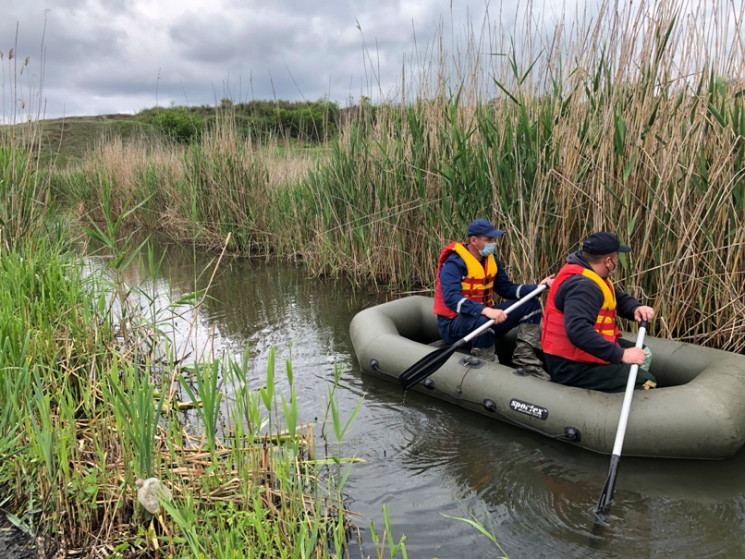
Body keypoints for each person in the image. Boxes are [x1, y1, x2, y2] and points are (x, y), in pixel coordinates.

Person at [433, 218, 555, 380]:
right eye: (488, 239)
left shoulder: (491, 261)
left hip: (482, 319)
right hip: (453, 325)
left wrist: (538, 287)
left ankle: (525, 360)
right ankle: (488, 365)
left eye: (494, 239)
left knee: (530, 304)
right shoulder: (454, 264)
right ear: (474, 240)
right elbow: (451, 299)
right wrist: (485, 310)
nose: (493, 243)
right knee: (483, 320)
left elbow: (507, 289)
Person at [541, 231, 657, 392]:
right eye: (617, 257)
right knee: (647, 382)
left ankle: (618, 389)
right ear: (608, 261)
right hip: (570, 364)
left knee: (645, 352)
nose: (618, 261)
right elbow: (578, 331)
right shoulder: (582, 286)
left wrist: (635, 307)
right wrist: (620, 355)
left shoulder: (588, 272)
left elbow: (613, 296)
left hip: (585, 350)